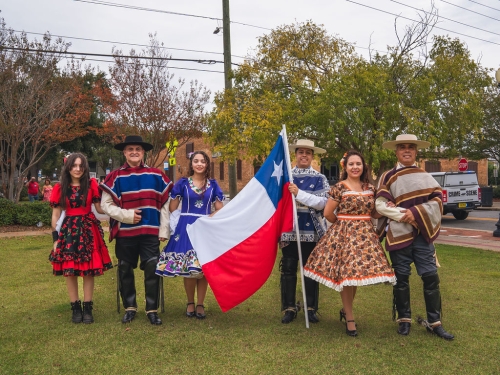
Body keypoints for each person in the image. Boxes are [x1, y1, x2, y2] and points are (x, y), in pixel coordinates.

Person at [304, 150, 396, 336]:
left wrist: (387, 208)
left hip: (365, 237)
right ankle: (350, 317)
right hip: (344, 235)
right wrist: (343, 225)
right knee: (346, 276)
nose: (355, 167)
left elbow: (374, 213)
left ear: (363, 167)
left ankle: (347, 311)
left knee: (354, 276)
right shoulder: (339, 187)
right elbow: (328, 213)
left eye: (358, 164)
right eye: (351, 164)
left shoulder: (370, 188)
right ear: (345, 167)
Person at [375, 134, 454, 340]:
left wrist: (415, 213)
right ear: (396, 151)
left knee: (430, 277)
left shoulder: (426, 176)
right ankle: (404, 320)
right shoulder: (388, 176)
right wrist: (405, 215)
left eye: (411, 147)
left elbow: (438, 202)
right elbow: (380, 205)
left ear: (416, 151)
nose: (407, 150)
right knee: (401, 278)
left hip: (422, 235)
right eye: (403, 147)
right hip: (399, 234)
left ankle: (435, 322)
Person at [100, 135, 172, 325]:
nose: (134, 152)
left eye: (137, 149)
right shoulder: (114, 176)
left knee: (152, 266)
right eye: (130, 149)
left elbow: (165, 205)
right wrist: (127, 215)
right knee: (124, 267)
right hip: (125, 232)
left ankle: (152, 309)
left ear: (143, 152)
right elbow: (105, 205)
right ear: (124, 152)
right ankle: (130, 307)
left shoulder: (157, 175)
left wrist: (164, 229)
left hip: (150, 232)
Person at [156, 151, 224, 320]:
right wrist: (180, 220)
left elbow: (220, 208)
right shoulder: (182, 184)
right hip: (186, 228)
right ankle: (190, 302)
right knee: (189, 268)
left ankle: (200, 303)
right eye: (196, 161)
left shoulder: (213, 185)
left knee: (203, 268)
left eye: (202, 161)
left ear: (207, 164)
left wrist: (209, 218)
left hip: (206, 229)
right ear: (191, 164)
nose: (199, 164)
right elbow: (173, 207)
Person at [49, 153, 113, 324]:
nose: (77, 169)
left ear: (85, 168)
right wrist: (55, 239)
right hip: (68, 231)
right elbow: (55, 215)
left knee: (88, 270)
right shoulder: (60, 188)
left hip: (88, 230)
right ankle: (75, 307)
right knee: (70, 271)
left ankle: (87, 307)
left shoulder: (91, 184)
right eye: (74, 165)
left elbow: (99, 209)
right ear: (68, 167)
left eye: (81, 166)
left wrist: (118, 209)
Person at [279, 139, 329, 324]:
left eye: (308, 152)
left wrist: (299, 193)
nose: (304, 155)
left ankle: (311, 308)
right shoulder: (286, 176)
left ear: (312, 156)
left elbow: (322, 203)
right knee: (288, 269)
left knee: (310, 270)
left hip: (312, 230)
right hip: (290, 230)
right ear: (295, 154)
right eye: (301, 152)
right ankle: (289, 307)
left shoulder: (319, 178)